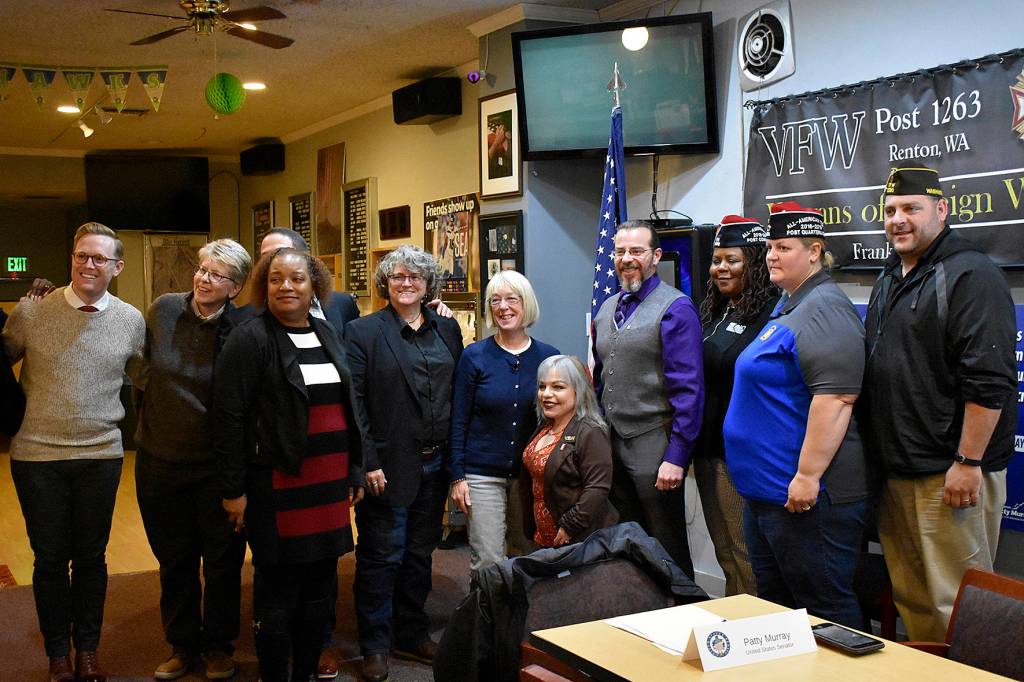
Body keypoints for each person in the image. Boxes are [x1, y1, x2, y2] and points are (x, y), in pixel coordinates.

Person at [863, 162, 1017, 641]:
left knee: (956, 608)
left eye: (911, 208)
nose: (898, 220)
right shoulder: (891, 275)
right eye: (890, 210)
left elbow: (989, 380)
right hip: (898, 471)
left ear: (942, 210)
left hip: (950, 474)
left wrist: (968, 462)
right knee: (914, 602)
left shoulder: (972, 274)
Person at [2, 222, 144, 682]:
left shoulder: (130, 320)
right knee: (48, 560)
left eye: (99, 258)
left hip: (100, 456)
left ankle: (87, 651)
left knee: (90, 558)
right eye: (82, 255)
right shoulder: (33, 313)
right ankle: (57, 655)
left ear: (117, 267)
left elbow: (149, 378)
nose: (88, 264)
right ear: (71, 260)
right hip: (37, 456)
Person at [213, 248, 363, 682]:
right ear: (264, 285)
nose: (286, 287)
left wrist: (355, 468)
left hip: (328, 485)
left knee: (320, 588)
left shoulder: (326, 331)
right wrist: (233, 489)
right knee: (277, 590)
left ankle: (306, 674)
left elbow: (349, 406)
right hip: (276, 486)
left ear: (314, 286)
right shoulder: (250, 337)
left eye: (297, 278)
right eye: (276, 278)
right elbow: (228, 417)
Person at [723, 202, 870, 628]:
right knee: (779, 611)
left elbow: (837, 399)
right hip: (769, 494)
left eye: (783, 247)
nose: (771, 256)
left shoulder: (824, 308)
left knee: (825, 610)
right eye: (770, 247)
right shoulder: (790, 303)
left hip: (807, 498)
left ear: (814, 251)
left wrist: (807, 476)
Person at [344, 245, 464, 682]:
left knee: (418, 555)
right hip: (387, 467)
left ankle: (411, 632)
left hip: (435, 464)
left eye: (415, 276)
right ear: (385, 283)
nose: (406, 283)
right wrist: (367, 462)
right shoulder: (362, 332)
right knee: (381, 556)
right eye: (397, 276)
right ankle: (375, 644)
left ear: (428, 284)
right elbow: (355, 403)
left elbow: (456, 393)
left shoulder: (446, 328)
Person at [134, 239, 252, 680]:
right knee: (175, 561)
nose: (204, 279)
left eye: (217, 275)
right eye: (202, 269)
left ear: (235, 287)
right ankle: (182, 646)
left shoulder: (243, 329)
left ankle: (218, 647)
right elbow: (139, 363)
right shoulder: (163, 309)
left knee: (222, 565)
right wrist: (160, 400)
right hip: (160, 461)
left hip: (217, 468)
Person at [591, 219, 703, 578]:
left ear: (655, 256)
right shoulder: (607, 308)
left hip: (655, 445)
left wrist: (677, 457)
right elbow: (600, 379)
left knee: (666, 545)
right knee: (625, 543)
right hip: (613, 443)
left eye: (637, 251)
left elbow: (689, 390)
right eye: (620, 251)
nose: (627, 259)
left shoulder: (676, 308)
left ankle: (681, 608)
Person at [448, 270, 559, 572]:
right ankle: (486, 606)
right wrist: (457, 477)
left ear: (527, 304)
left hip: (530, 476)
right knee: (488, 562)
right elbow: (458, 420)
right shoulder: (474, 356)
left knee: (529, 557)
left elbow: (559, 422)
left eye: (512, 299)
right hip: (482, 475)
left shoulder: (548, 358)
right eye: (495, 300)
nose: (503, 307)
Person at [694, 215, 779, 597]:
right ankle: (733, 617)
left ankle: (755, 623)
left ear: (755, 263)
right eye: (717, 261)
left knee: (746, 553)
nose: (721, 269)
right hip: (706, 449)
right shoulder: (714, 309)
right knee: (724, 550)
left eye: (732, 260)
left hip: (739, 455)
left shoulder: (771, 313)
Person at [519, 355, 615, 548]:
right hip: (543, 537)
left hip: (576, 540)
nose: (546, 394)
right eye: (542, 387)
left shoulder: (590, 432)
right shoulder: (545, 426)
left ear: (578, 391)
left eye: (558, 387)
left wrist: (570, 526)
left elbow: (597, 488)